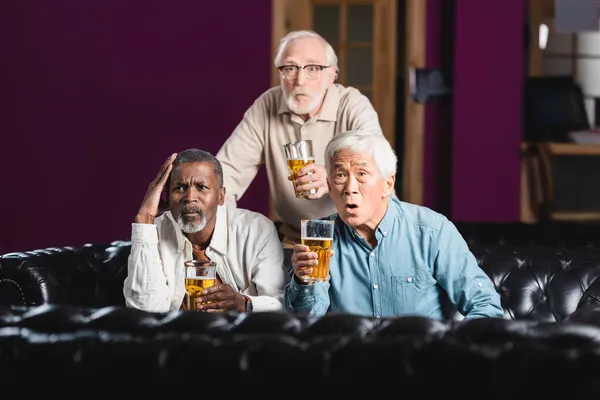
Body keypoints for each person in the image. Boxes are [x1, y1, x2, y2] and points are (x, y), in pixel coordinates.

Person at [284, 131, 504, 319]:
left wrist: (452, 351)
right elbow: (307, 322)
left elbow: (485, 304)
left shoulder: (431, 231)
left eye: (361, 174)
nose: (350, 188)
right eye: (340, 175)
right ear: (330, 188)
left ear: (387, 184)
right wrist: (304, 281)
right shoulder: (320, 238)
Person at [215, 30, 382, 270]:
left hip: (362, 235)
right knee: (272, 293)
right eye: (290, 68)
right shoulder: (267, 106)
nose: (300, 81)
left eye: (312, 68)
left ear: (332, 75)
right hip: (299, 240)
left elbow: (378, 164)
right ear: (280, 74)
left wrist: (333, 176)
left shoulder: (352, 104)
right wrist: (223, 241)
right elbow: (224, 180)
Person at [123, 149, 285, 314]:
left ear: (221, 196)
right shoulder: (152, 232)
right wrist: (144, 219)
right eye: (180, 187)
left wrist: (243, 304)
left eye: (201, 187)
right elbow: (144, 311)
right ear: (167, 197)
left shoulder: (256, 230)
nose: (190, 197)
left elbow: (280, 302)